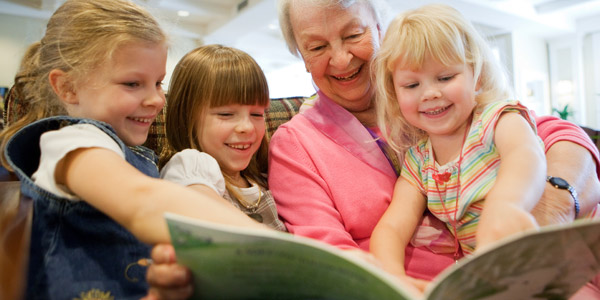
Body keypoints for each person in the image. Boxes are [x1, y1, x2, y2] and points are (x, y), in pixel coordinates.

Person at [145, 0, 600, 298]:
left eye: (353, 35)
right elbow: (331, 257)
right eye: (317, 46)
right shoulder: (295, 144)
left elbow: (555, 136)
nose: (340, 59)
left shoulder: (435, 102)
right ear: (301, 57)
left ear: (379, 28)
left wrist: (551, 206)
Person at [0, 1, 266, 299]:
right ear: (68, 87)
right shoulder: (73, 143)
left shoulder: (131, 154)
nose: (156, 99)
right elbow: (143, 203)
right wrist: (270, 248)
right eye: (132, 83)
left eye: (158, 83)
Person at [369, 4, 549, 287]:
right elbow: (392, 227)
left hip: (556, 256)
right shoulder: (419, 162)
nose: (430, 93)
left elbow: (526, 156)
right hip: (498, 279)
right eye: (411, 85)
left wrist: (507, 204)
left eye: (445, 77)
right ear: (394, 93)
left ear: (475, 76)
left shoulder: (497, 119)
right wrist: (392, 276)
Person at [159, 44, 286, 231]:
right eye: (226, 114)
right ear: (186, 115)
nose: (247, 127)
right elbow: (207, 210)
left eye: (257, 114)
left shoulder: (260, 177)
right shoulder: (191, 165)